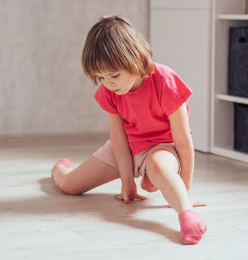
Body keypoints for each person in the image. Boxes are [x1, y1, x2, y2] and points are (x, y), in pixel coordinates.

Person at [51, 15, 206, 245]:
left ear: (138, 59)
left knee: (159, 166)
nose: (109, 83)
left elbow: (183, 141)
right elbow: (118, 139)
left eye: (114, 75)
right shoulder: (109, 92)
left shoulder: (165, 81)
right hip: (127, 145)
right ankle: (58, 169)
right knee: (70, 186)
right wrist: (126, 182)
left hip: (161, 147)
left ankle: (186, 216)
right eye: (101, 77)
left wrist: (186, 192)